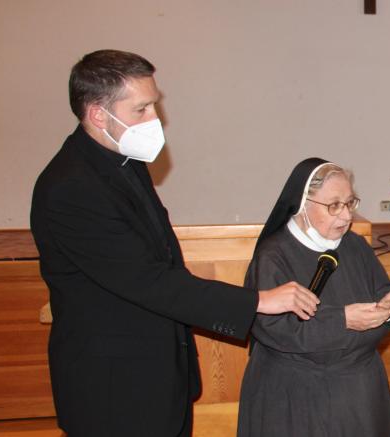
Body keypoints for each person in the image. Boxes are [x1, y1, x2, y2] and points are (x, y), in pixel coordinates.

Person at [29, 50, 320, 436]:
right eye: (142, 109)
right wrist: (261, 300)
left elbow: (164, 257)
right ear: (98, 114)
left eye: (155, 106)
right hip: (114, 389)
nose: (156, 119)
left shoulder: (123, 160)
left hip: (158, 376)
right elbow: (147, 280)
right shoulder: (71, 187)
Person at [237, 159, 390, 436]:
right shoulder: (273, 256)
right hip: (299, 394)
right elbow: (275, 329)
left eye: (350, 203)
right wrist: (343, 320)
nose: (346, 216)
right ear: (303, 204)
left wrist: (389, 308)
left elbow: (386, 292)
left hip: (360, 390)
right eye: (334, 206)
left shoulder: (355, 245)